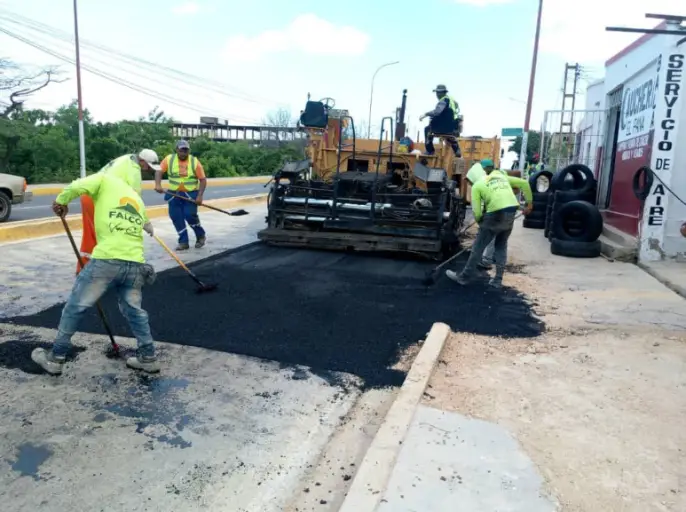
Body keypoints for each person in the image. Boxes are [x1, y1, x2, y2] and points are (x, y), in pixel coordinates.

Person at [31, 150, 162, 376]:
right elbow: (143, 223)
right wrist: (147, 225)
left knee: (75, 306)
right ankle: (148, 358)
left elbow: (76, 186)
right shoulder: (135, 197)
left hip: (107, 261)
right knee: (135, 311)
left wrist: (61, 201)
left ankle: (56, 357)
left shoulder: (103, 179)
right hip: (135, 264)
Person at [447, 158, 533, 289]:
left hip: (495, 215)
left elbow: (476, 212)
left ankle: (463, 278)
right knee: (501, 246)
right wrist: (529, 203)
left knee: (477, 247)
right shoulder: (502, 177)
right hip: (511, 212)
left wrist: (481, 221)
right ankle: (497, 280)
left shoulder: (478, 185)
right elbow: (524, 183)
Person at [155, 139, 207, 251]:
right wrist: (158, 184)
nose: (184, 153)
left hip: (190, 194)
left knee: (190, 215)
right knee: (176, 217)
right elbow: (159, 171)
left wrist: (200, 196)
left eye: (186, 151)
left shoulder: (194, 161)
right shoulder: (169, 159)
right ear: (177, 150)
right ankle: (183, 242)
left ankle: (200, 235)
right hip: (174, 194)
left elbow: (202, 180)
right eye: (181, 150)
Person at [419, 84, 461, 157]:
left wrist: (425, 114)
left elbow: (437, 112)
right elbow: (454, 109)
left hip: (443, 126)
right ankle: (457, 150)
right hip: (453, 126)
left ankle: (430, 150)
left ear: (442, 93)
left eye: (438, 93)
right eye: (436, 93)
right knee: (449, 135)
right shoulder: (451, 100)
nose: (437, 95)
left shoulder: (443, 100)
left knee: (427, 129)